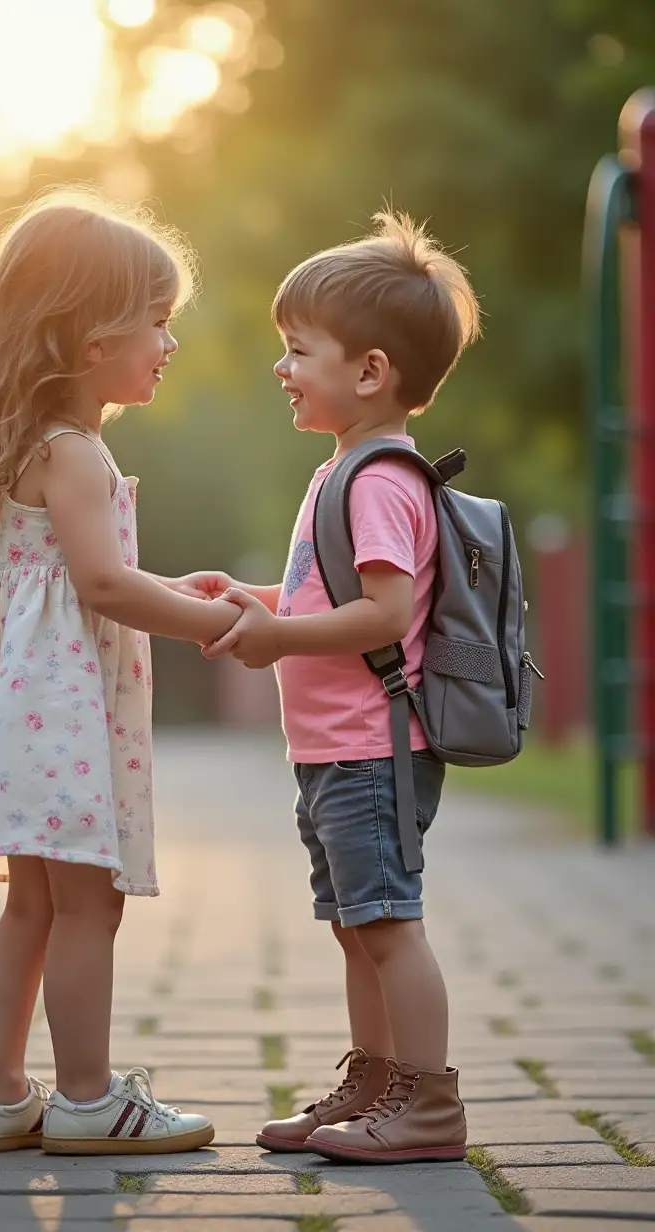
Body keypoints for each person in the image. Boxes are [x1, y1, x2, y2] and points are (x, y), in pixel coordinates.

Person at [0, 190, 241, 1156]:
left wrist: (173, 580)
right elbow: (102, 587)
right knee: (90, 902)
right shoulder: (76, 453)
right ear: (86, 339)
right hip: (62, 712)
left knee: (33, 903)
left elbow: (71, 580)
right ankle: (86, 1098)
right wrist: (210, 620)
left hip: (23, 711)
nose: (170, 343)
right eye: (158, 323)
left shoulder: (30, 449)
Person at [203, 211, 481, 1163]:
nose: (282, 367)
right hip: (334, 752)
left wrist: (277, 635)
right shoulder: (342, 472)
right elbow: (337, 593)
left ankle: (429, 1107)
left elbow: (382, 615)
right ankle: (376, 1080)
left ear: (369, 371)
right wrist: (263, 600)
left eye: (298, 350)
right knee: (357, 928)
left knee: (390, 926)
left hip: (375, 749)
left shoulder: (379, 479)